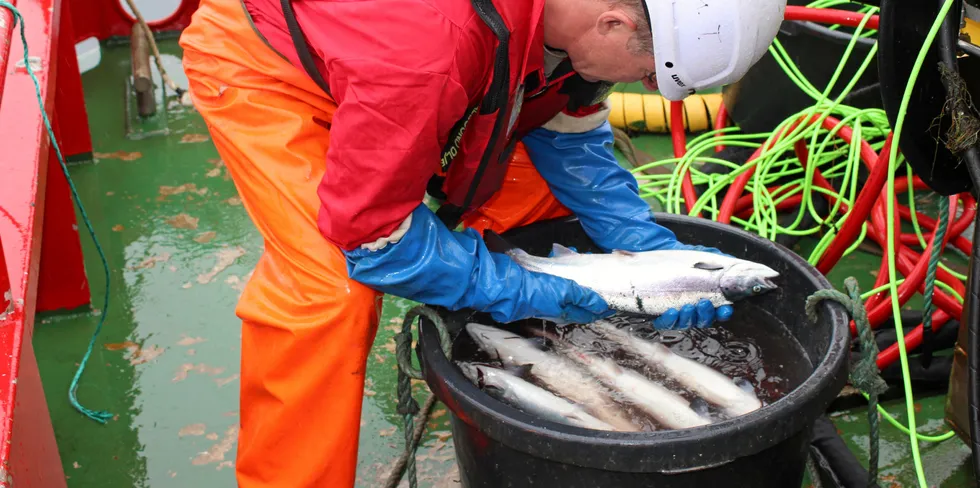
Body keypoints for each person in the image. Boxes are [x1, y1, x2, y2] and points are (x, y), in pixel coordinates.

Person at [178, 0, 784, 485]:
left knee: (537, 203)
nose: (647, 88)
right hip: (276, 66)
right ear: (614, 23)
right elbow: (371, 233)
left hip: (412, 76)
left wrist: (645, 246)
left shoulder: (574, 24)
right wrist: (513, 288)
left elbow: (567, 132)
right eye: (650, 74)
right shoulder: (427, 54)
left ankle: (515, 356)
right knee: (330, 287)